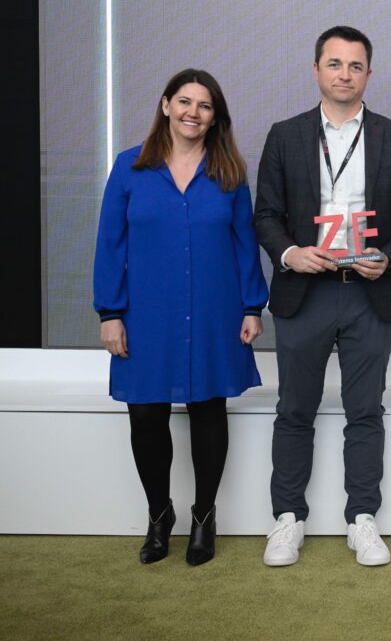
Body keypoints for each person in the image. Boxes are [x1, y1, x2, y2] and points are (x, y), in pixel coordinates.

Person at [254, 25, 391, 567]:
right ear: (316, 70)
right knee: (294, 409)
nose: (345, 75)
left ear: (368, 74)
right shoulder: (285, 135)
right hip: (304, 290)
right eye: (334, 64)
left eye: (355, 66)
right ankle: (288, 518)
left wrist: (389, 257)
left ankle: (363, 519)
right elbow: (266, 214)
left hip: (368, 291)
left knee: (365, 411)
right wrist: (290, 253)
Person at [94, 69, 268, 566]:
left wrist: (252, 305)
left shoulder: (229, 172)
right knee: (146, 415)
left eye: (205, 105)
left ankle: (204, 517)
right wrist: (110, 312)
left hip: (214, 310)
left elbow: (244, 243)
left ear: (215, 117)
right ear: (166, 104)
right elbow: (110, 243)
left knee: (208, 410)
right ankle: (158, 515)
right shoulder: (130, 167)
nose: (194, 112)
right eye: (185, 102)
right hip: (145, 313)